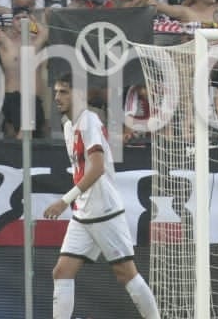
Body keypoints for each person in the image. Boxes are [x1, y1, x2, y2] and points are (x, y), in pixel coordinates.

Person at [42, 77, 161, 319]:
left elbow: (96, 169)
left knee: (126, 273)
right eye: (56, 92)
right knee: (62, 272)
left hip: (105, 211)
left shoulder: (89, 122)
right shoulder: (68, 126)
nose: (57, 97)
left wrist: (64, 200)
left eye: (63, 92)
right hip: (83, 213)